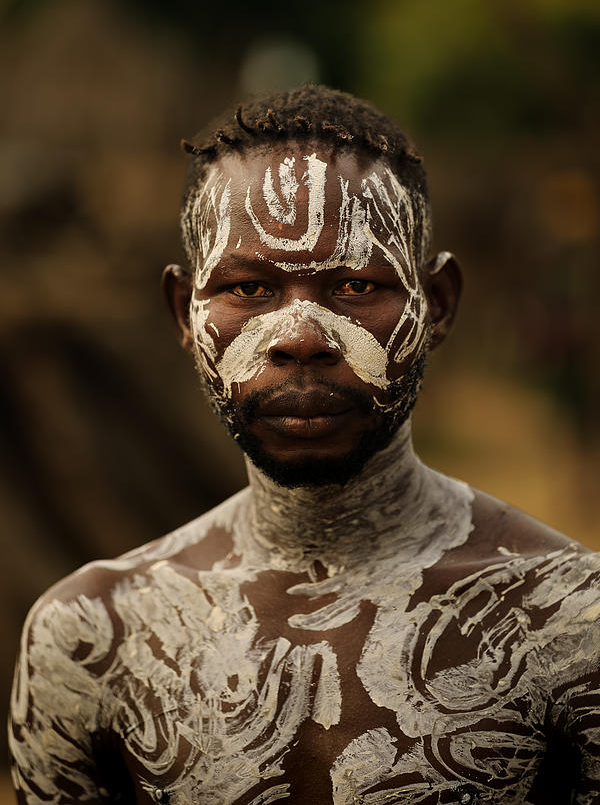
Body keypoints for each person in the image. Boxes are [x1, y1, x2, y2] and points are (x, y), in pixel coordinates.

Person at [8, 85, 600, 805]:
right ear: (184, 313)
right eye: (250, 289)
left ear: (436, 302)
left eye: (354, 285)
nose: (299, 338)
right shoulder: (93, 639)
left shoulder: (570, 624)